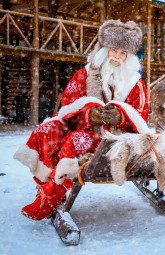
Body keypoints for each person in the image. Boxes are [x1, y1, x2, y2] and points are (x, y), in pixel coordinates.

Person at [13, 20, 150, 220]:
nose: (118, 57)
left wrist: (120, 117)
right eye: (114, 50)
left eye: (123, 53)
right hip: (86, 129)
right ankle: (46, 185)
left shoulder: (135, 84)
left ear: (128, 57)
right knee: (46, 131)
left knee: (75, 141)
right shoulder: (84, 75)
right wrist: (88, 114)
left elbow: (141, 115)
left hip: (117, 139)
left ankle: (50, 197)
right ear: (105, 50)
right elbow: (68, 102)